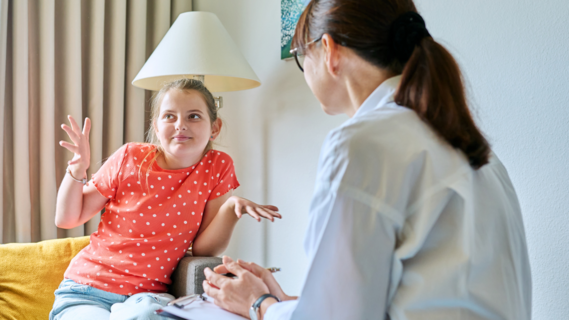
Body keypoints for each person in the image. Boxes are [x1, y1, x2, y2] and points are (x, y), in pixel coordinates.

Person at [202, 0, 532, 319]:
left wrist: (258, 304)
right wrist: (289, 301)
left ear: (329, 50)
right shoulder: (478, 154)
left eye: (303, 58)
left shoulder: (362, 145)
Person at [49, 79, 281, 320]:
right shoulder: (130, 156)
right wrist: (77, 170)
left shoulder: (218, 166)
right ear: (157, 127)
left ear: (215, 127)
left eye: (193, 116)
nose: (180, 125)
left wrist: (231, 209)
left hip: (146, 297)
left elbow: (204, 249)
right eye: (169, 116)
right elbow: (67, 218)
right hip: (87, 289)